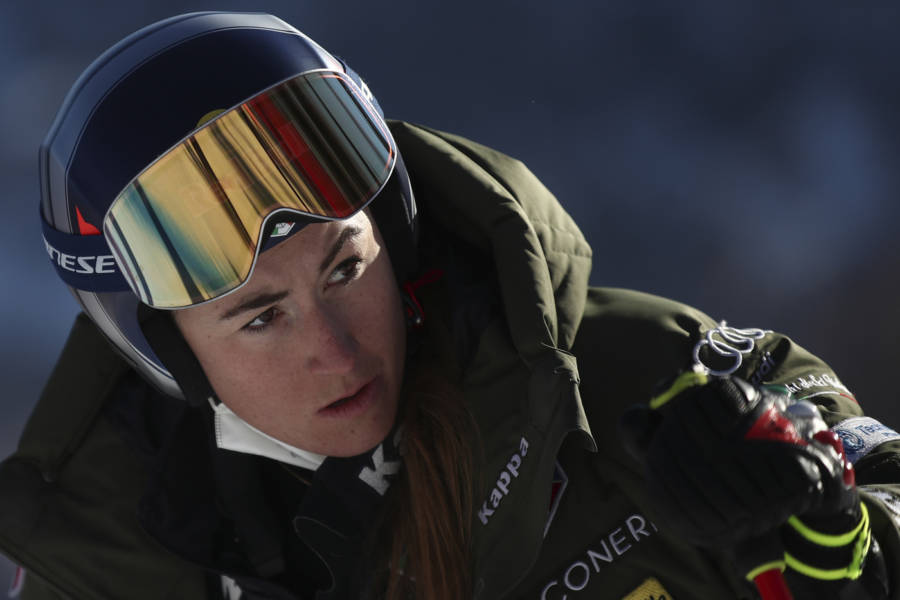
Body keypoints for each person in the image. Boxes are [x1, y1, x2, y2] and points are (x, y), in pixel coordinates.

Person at [1, 10, 899, 600]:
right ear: (168, 352)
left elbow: (880, 496)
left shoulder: (634, 385)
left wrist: (821, 523)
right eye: (262, 317)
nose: (338, 352)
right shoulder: (109, 571)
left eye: (345, 271)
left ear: (395, 235)